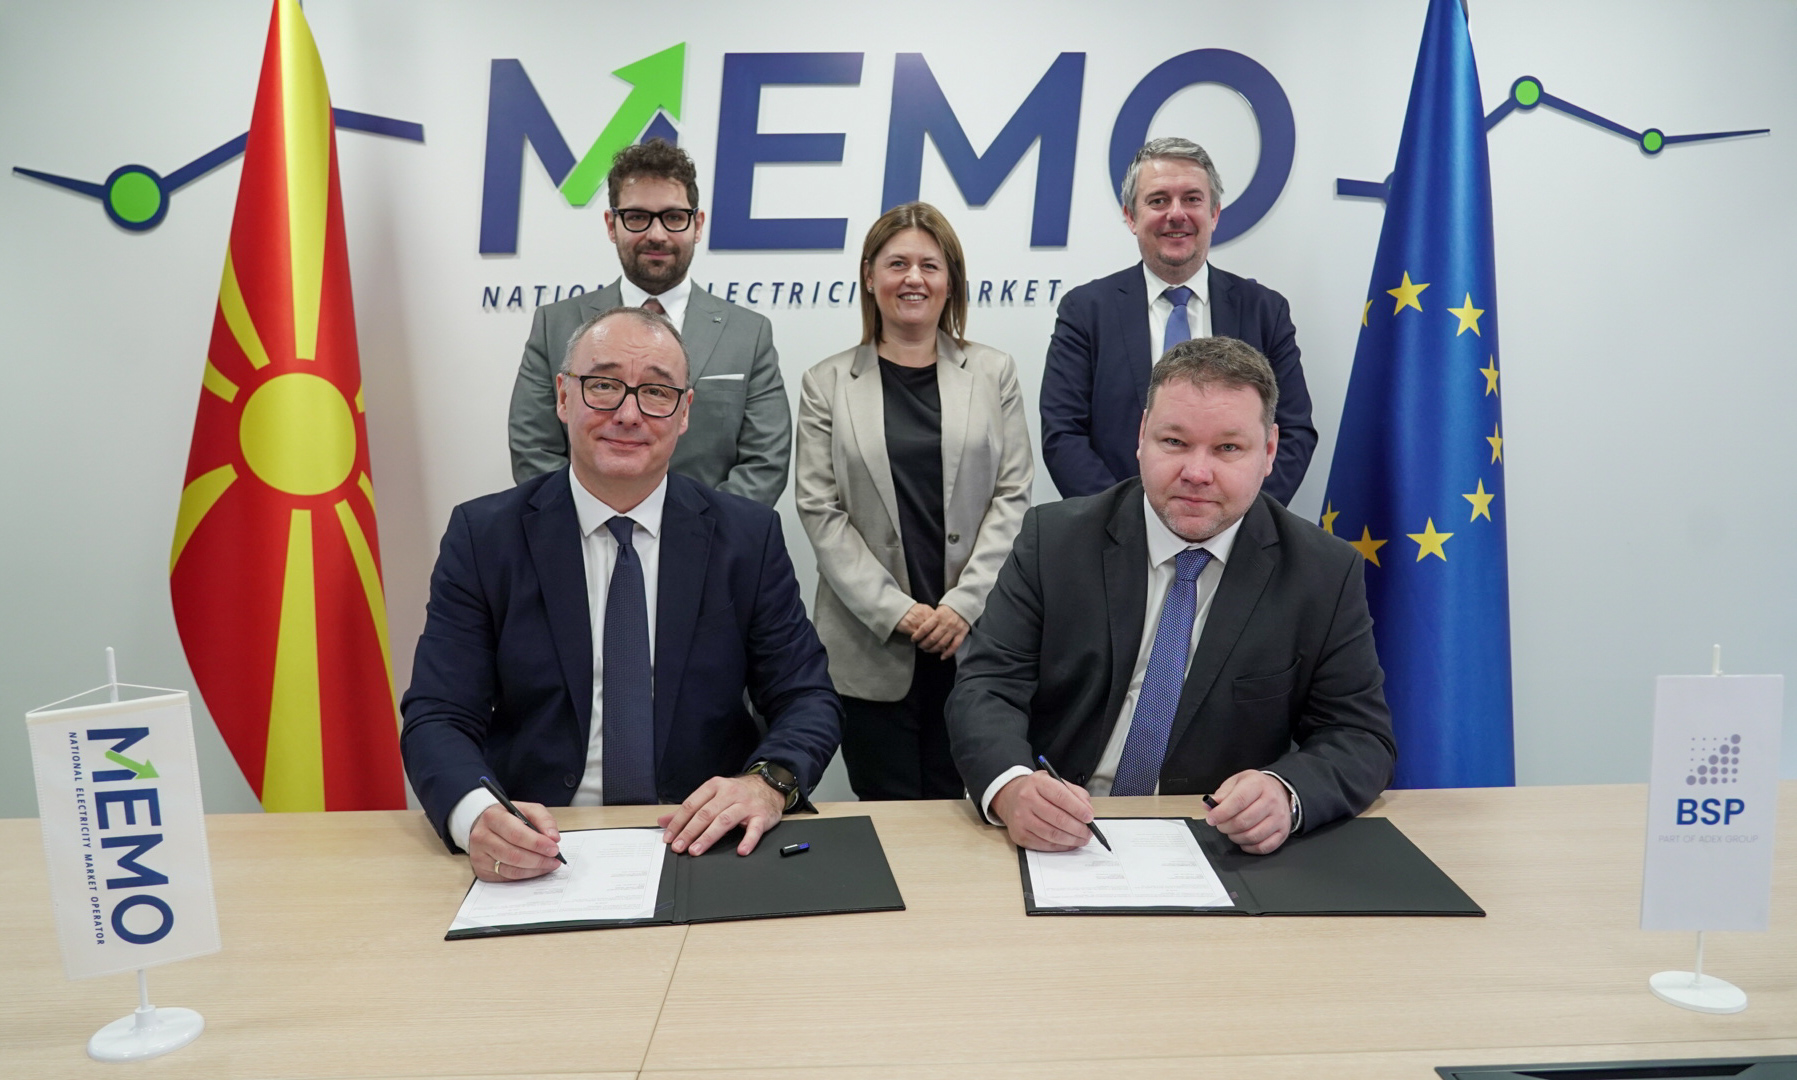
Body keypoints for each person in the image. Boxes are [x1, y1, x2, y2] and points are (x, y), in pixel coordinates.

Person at [403, 307, 841, 881]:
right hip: (541, 843)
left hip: (702, 841)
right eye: (604, 385)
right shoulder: (484, 537)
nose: (629, 414)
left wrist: (766, 784)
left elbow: (807, 698)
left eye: (657, 392)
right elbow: (437, 714)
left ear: (685, 412)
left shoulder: (746, 538)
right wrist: (476, 815)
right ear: (563, 397)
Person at [946, 336, 1394, 855]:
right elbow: (986, 687)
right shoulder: (1053, 540)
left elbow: (1360, 736)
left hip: (1217, 846)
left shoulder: (1323, 573)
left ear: (1269, 451)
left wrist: (1286, 793)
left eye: (1228, 448)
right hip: (1064, 836)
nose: (1196, 473)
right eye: (1175, 442)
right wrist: (1011, 787)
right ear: (1142, 436)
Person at [794, 204, 1033, 801]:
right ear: (869, 276)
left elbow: (1012, 495)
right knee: (887, 815)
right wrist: (897, 611)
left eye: (930, 265)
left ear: (951, 279)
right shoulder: (825, 382)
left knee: (972, 815)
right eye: (896, 263)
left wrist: (964, 605)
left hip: (973, 641)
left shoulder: (994, 372)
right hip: (870, 645)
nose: (913, 278)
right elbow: (820, 511)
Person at [508, 139, 791, 505]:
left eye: (673, 217)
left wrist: (701, 529)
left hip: (711, 538)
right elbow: (533, 450)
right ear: (612, 225)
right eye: (638, 217)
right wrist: (599, 525)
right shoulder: (554, 326)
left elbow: (765, 462)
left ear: (697, 224)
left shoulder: (749, 335)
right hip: (580, 535)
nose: (657, 234)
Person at [1039, 137, 1317, 505]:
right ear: (1130, 216)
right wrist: (1125, 521)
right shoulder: (1085, 311)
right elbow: (1063, 434)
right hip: (1115, 530)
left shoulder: (1265, 311)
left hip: (1237, 527)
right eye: (1158, 200)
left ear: (1214, 214)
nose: (1176, 213)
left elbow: (1293, 432)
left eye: (1192, 199)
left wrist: (1236, 518)